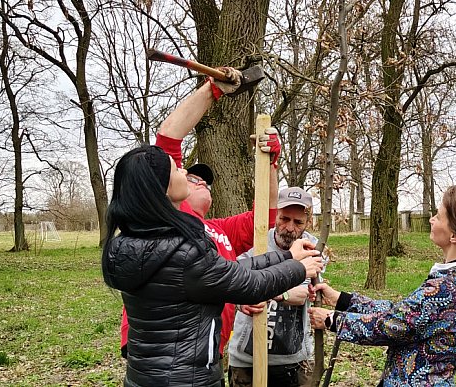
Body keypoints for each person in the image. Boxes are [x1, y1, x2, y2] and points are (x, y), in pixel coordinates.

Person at [101, 145, 324, 386]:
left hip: (146, 376)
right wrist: (300, 268)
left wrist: (287, 256)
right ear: (160, 188)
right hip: (187, 379)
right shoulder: (183, 251)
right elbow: (251, 284)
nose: (184, 170)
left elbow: (229, 269)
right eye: (178, 169)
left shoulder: (134, 242)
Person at [119, 67, 282, 358]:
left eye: (206, 181)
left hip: (206, 354)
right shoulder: (167, 216)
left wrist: (269, 163)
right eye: (191, 177)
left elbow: (266, 216)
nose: (200, 181)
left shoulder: (219, 230)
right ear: (169, 187)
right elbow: (168, 139)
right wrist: (213, 89)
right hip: (166, 356)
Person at [309, 185, 456, 386]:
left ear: (454, 236)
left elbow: (391, 326)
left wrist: (332, 320)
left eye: (439, 216)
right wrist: (342, 300)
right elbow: (404, 314)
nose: (431, 219)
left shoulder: (447, 288)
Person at [228, 187, 321, 386]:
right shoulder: (254, 242)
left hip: (294, 359)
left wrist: (263, 290)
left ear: (308, 223)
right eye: (284, 219)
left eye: (298, 222)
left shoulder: (313, 249)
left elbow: (302, 293)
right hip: (247, 360)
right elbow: (233, 282)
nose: (289, 228)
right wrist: (241, 302)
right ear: (275, 215)